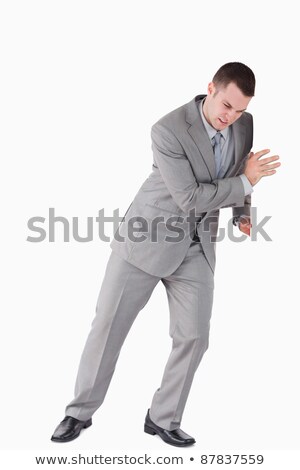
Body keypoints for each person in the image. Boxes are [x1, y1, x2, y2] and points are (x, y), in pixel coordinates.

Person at [51, 62, 280, 447]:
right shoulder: (168, 129)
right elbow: (191, 197)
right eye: (226, 105)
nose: (230, 117)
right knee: (108, 328)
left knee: (194, 336)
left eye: (239, 110)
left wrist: (242, 210)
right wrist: (245, 181)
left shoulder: (243, 123)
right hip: (146, 238)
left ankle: (163, 418)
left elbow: (242, 167)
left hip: (197, 245)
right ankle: (79, 412)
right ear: (210, 88)